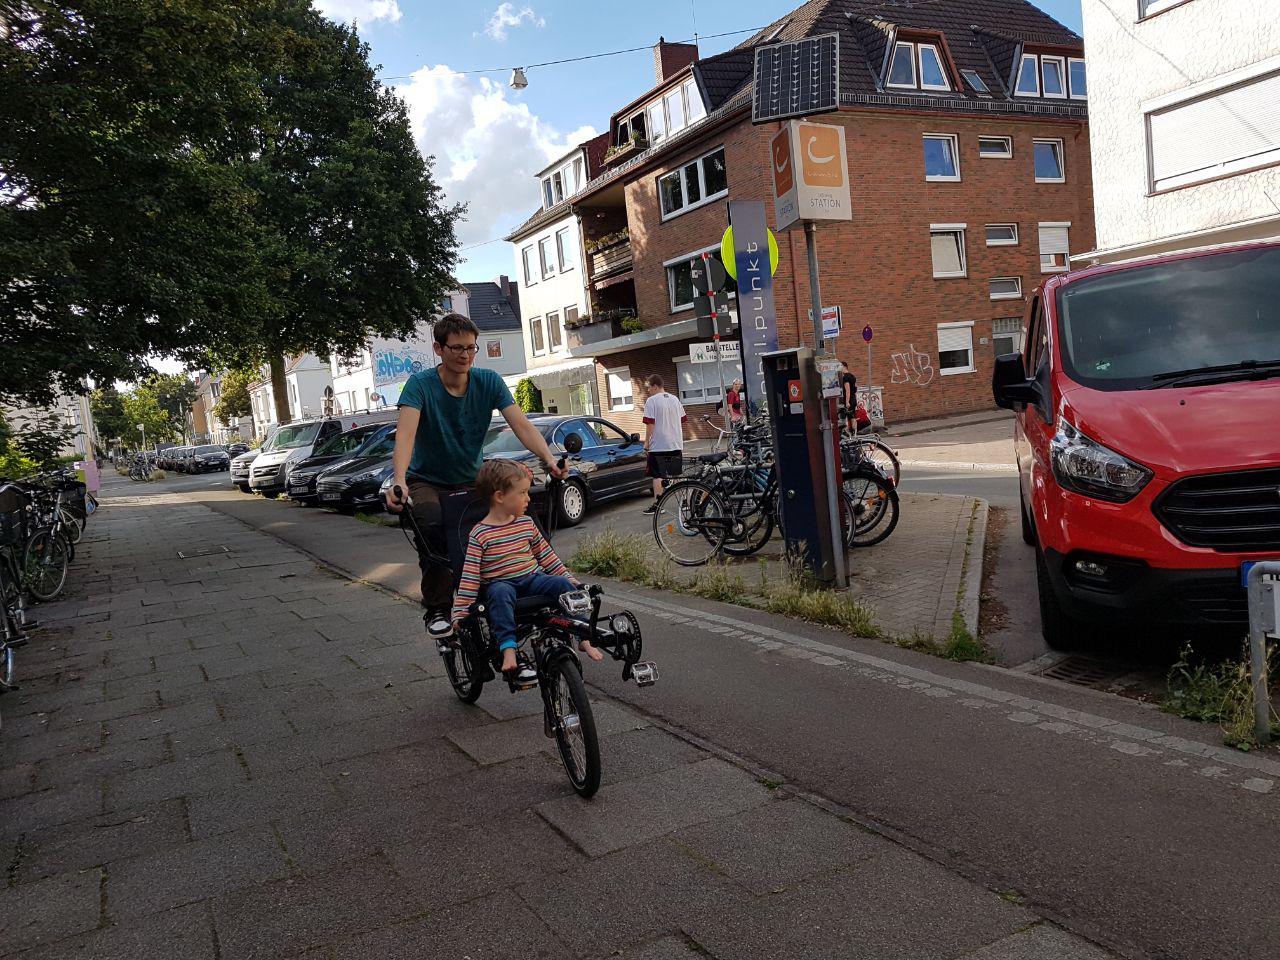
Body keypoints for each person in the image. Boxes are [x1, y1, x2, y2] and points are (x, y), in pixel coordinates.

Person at [386, 313, 567, 650]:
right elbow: (406, 437)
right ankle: (439, 608)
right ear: (438, 348)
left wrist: (548, 458)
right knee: (431, 521)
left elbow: (522, 426)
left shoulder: (489, 381)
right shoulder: (420, 385)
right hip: (428, 479)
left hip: (472, 476)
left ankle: (533, 584)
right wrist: (399, 481)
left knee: (514, 513)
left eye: (471, 348)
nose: (465, 355)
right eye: (456, 348)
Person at [452, 459, 602, 682]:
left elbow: (546, 556)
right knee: (500, 594)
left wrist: (568, 577)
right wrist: (461, 610)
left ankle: (582, 634)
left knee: (562, 585)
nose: (528, 498)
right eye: (522, 493)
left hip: (532, 578)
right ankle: (509, 649)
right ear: (500, 496)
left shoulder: (526, 523)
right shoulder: (480, 534)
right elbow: (471, 576)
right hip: (502, 585)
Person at [640, 374, 686, 515]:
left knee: (658, 475)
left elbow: (650, 424)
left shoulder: (651, 401)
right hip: (676, 443)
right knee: (677, 474)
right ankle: (684, 503)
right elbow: (683, 419)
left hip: (659, 444)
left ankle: (659, 505)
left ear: (655, 386)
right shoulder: (675, 399)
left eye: (649, 387)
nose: (648, 390)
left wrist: (647, 442)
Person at [840, 361, 859, 434]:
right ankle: (855, 433)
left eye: (840, 366)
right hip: (853, 398)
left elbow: (847, 390)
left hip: (849, 399)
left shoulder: (846, 377)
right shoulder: (852, 376)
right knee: (853, 416)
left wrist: (847, 401)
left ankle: (848, 433)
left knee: (848, 417)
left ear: (844, 366)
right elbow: (854, 388)